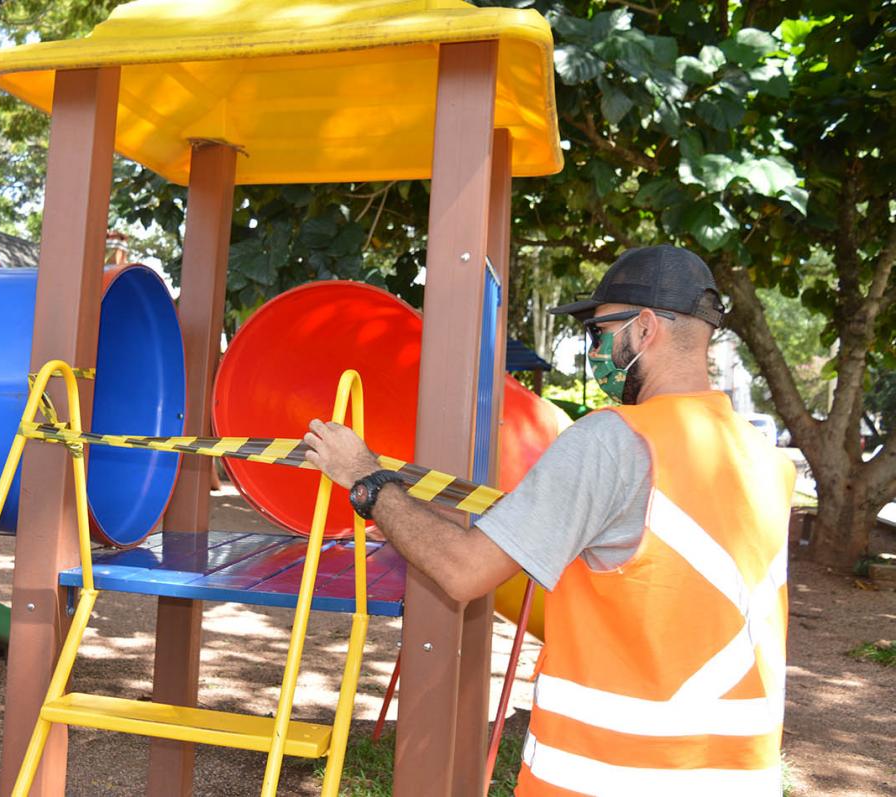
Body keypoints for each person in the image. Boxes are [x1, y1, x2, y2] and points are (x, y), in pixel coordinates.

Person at [304, 245, 796, 796]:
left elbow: (463, 571)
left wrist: (366, 479)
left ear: (647, 327)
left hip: (609, 778)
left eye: (601, 332)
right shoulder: (766, 460)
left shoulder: (613, 441)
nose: (597, 350)